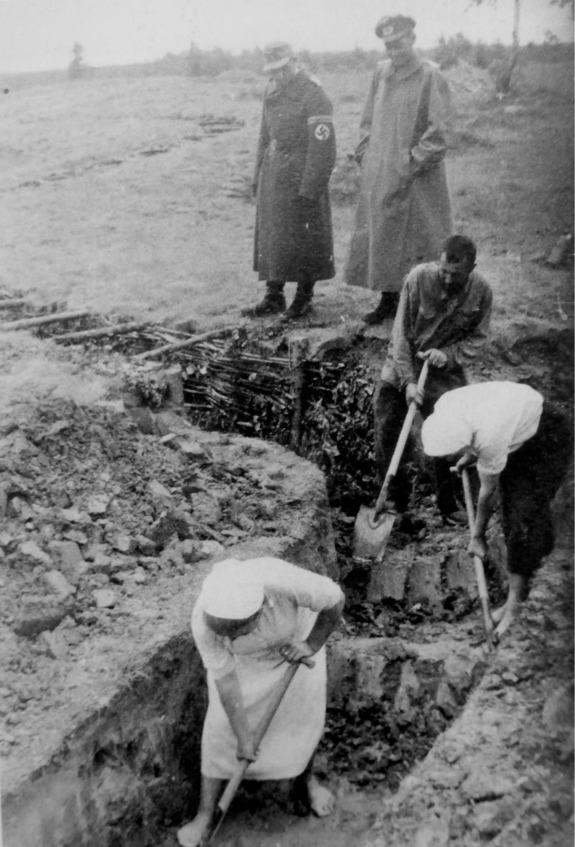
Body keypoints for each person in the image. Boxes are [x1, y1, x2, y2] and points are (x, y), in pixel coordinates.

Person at [177, 556, 345, 847]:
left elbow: (335, 599)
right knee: (220, 730)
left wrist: (311, 644)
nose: (231, 638)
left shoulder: (282, 581)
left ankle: (307, 783)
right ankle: (205, 814)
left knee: (300, 721)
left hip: (295, 650)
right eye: (225, 634)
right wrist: (244, 738)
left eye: (239, 630)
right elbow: (225, 681)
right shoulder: (204, 622)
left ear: (262, 607)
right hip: (244, 665)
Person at [421, 381, 572, 640]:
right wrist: (471, 454)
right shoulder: (445, 407)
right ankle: (533, 564)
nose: (447, 459)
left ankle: (515, 605)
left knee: (524, 514)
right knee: (515, 514)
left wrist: (478, 536)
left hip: (548, 434)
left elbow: (487, 494)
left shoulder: (490, 437)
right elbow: (480, 424)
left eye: (450, 454)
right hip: (515, 424)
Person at [373, 234, 492, 528]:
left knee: (448, 432)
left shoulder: (482, 291)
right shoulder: (418, 279)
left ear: (472, 268)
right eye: (444, 272)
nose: (449, 279)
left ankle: (448, 505)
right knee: (388, 427)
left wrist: (448, 355)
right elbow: (400, 337)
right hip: (403, 364)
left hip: (442, 372)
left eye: (457, 274)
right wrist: (408, 382)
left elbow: (478, 340)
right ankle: (395, 504)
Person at [345, 15, 452, 325]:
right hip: (381, 172)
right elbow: (367, 121)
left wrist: (410, 163)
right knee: (383, 237)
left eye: (399, 44)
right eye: (389, 46)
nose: (394, 51)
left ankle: (420, 305)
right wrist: (366, 154)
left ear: (413, 39)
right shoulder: (381, 72)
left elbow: (439, 132)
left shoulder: (430, 76)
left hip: (417, 178)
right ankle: (388, 300)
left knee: (418, 241)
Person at [242, 42, 336, 321]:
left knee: (306, 237)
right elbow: (264, 135)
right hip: (275, 174)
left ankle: (304, 298)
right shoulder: (270, 89)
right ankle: (274, 295)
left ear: (295, 61)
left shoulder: (313, 93)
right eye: (273, 70)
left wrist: (310, 188)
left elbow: (323, 148)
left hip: (302, 172)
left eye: (283, 68)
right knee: (274, 236)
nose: (279, 75)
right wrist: (258, 174)